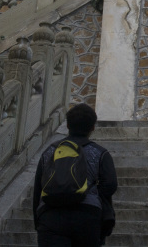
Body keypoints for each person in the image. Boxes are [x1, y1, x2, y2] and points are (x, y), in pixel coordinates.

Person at [33, 103, 117, 247]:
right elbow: (110, 186)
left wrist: (39, 220)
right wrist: (90, 194)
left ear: (67, 125)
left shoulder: (50, 152)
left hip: (51, 216)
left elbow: (38, 188)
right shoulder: (100, 153)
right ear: (92, 128)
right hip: (87, 217)